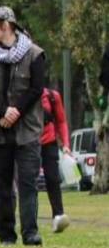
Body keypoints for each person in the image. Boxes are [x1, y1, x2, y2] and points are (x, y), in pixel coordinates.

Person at [0, 7, 46, 246]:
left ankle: (30, 232)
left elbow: (36, 88)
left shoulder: (35, 54)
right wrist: (2, 111)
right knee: (1, 185)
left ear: (6, 26)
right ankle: (6, 234)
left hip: (27, 131)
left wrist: (16, 112)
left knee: (28, 184)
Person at [40, 86, 71, 233]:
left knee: (53, 179)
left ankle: (58, 216)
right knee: (28, 182)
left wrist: (66, 145)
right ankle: (29, 220)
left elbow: (62, 121)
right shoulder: (22, 93)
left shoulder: (52, 96)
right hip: (29, 143)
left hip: (49, 142)